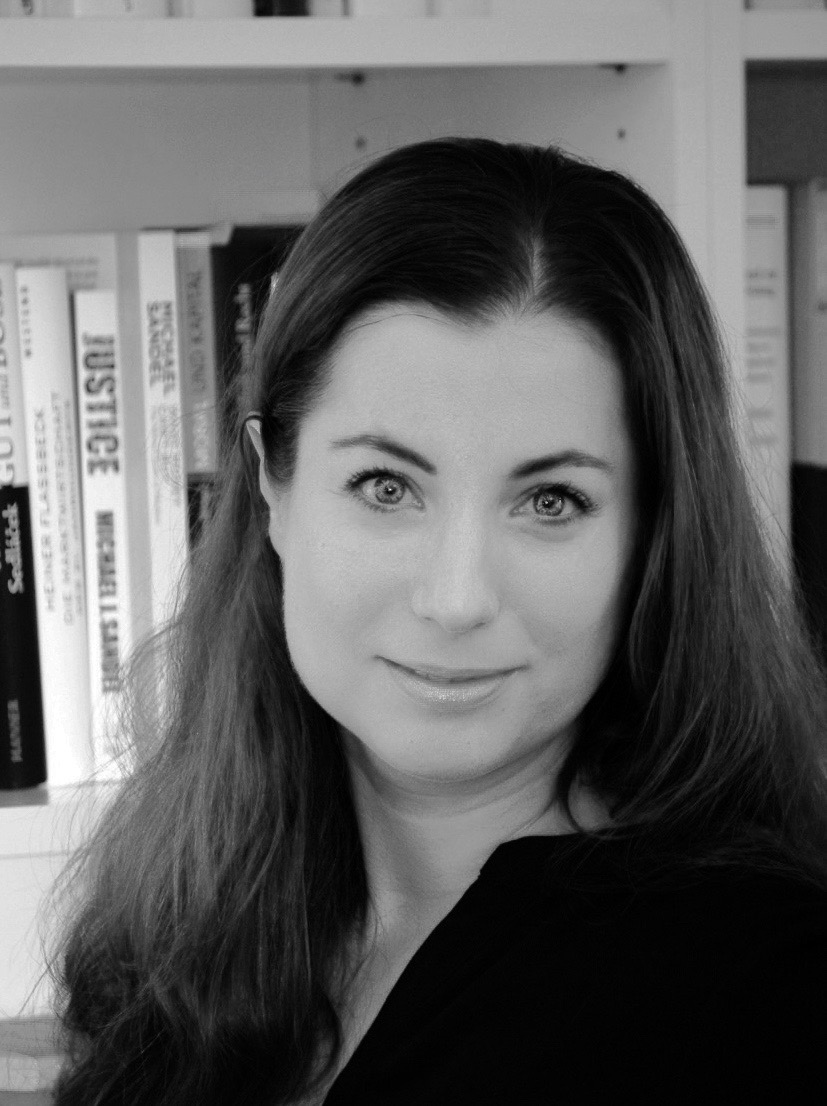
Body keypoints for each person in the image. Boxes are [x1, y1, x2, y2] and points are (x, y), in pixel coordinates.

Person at [47, 137, 827, 1105]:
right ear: (270, 488)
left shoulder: (769, 995)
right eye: (385, 486)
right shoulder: (175, 938)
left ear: (652, 534)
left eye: (549, 501)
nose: (456, 598)